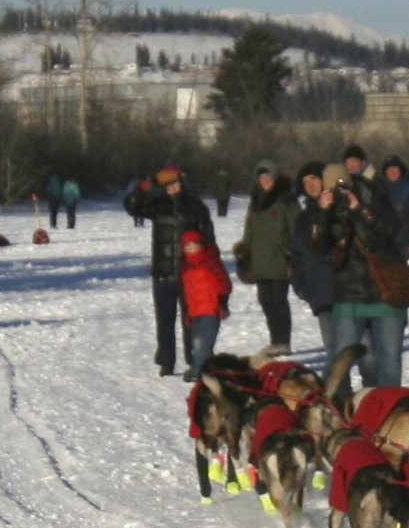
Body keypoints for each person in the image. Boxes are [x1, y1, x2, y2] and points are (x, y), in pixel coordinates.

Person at [306, 161, 407, 389]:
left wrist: (359, 209)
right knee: (339, 360)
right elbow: (320, 249)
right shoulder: (326, 208)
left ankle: (387, 410)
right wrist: (323, 213)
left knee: (389, 361)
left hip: (386, 291)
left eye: (341, 188)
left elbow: (390, 231)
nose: (338, 194)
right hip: (349, 294)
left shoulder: (374, 195)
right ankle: (336, 409)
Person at [124, 165, 217, 376]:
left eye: (174, 183)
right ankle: (167, 360)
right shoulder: (157, 205)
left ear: (182, 183)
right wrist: (149, 183)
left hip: (190, 273)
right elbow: (131, 205)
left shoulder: (195, 206)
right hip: (163, 272)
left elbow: (209, 238)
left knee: (190, 318)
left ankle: (193, 357)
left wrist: (209, 266)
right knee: (164, 319)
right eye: (167, 184)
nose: (171, 187)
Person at [237, 162, 296, 349]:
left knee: (279, 301)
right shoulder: (255, 202)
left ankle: (283, 341)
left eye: (269, 177)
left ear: (275, 179)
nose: (265, 181)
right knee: (266, 302)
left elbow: (297, 228)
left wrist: (292, 251)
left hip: (280, 260)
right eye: (262, 178)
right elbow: (249, 230)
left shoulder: (286, 200)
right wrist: (243, 252)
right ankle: (275, 340)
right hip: (259, 262)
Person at [288, 160, 338, 352]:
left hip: (347, 291)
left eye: (314, 179)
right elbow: (298, 254)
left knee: (366, 352)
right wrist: (300, 284)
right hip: (321, 293)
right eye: (305, 181)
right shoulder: (302, 219)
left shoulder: (339, 209)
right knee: (334, 353)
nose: (310, 184)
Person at [177, 229, 232, 380]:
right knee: (196, 343)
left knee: (203, 344)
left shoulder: (210, 261)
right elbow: (188, 293)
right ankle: (207, 370)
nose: (192, 249)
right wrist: (188, 312)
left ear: (201, 245)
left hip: (211, 309)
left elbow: (225, 283)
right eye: (188, 246)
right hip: (195, 312)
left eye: (195, 246)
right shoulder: (185, 267)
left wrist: (222, 302)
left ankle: (200, 373)